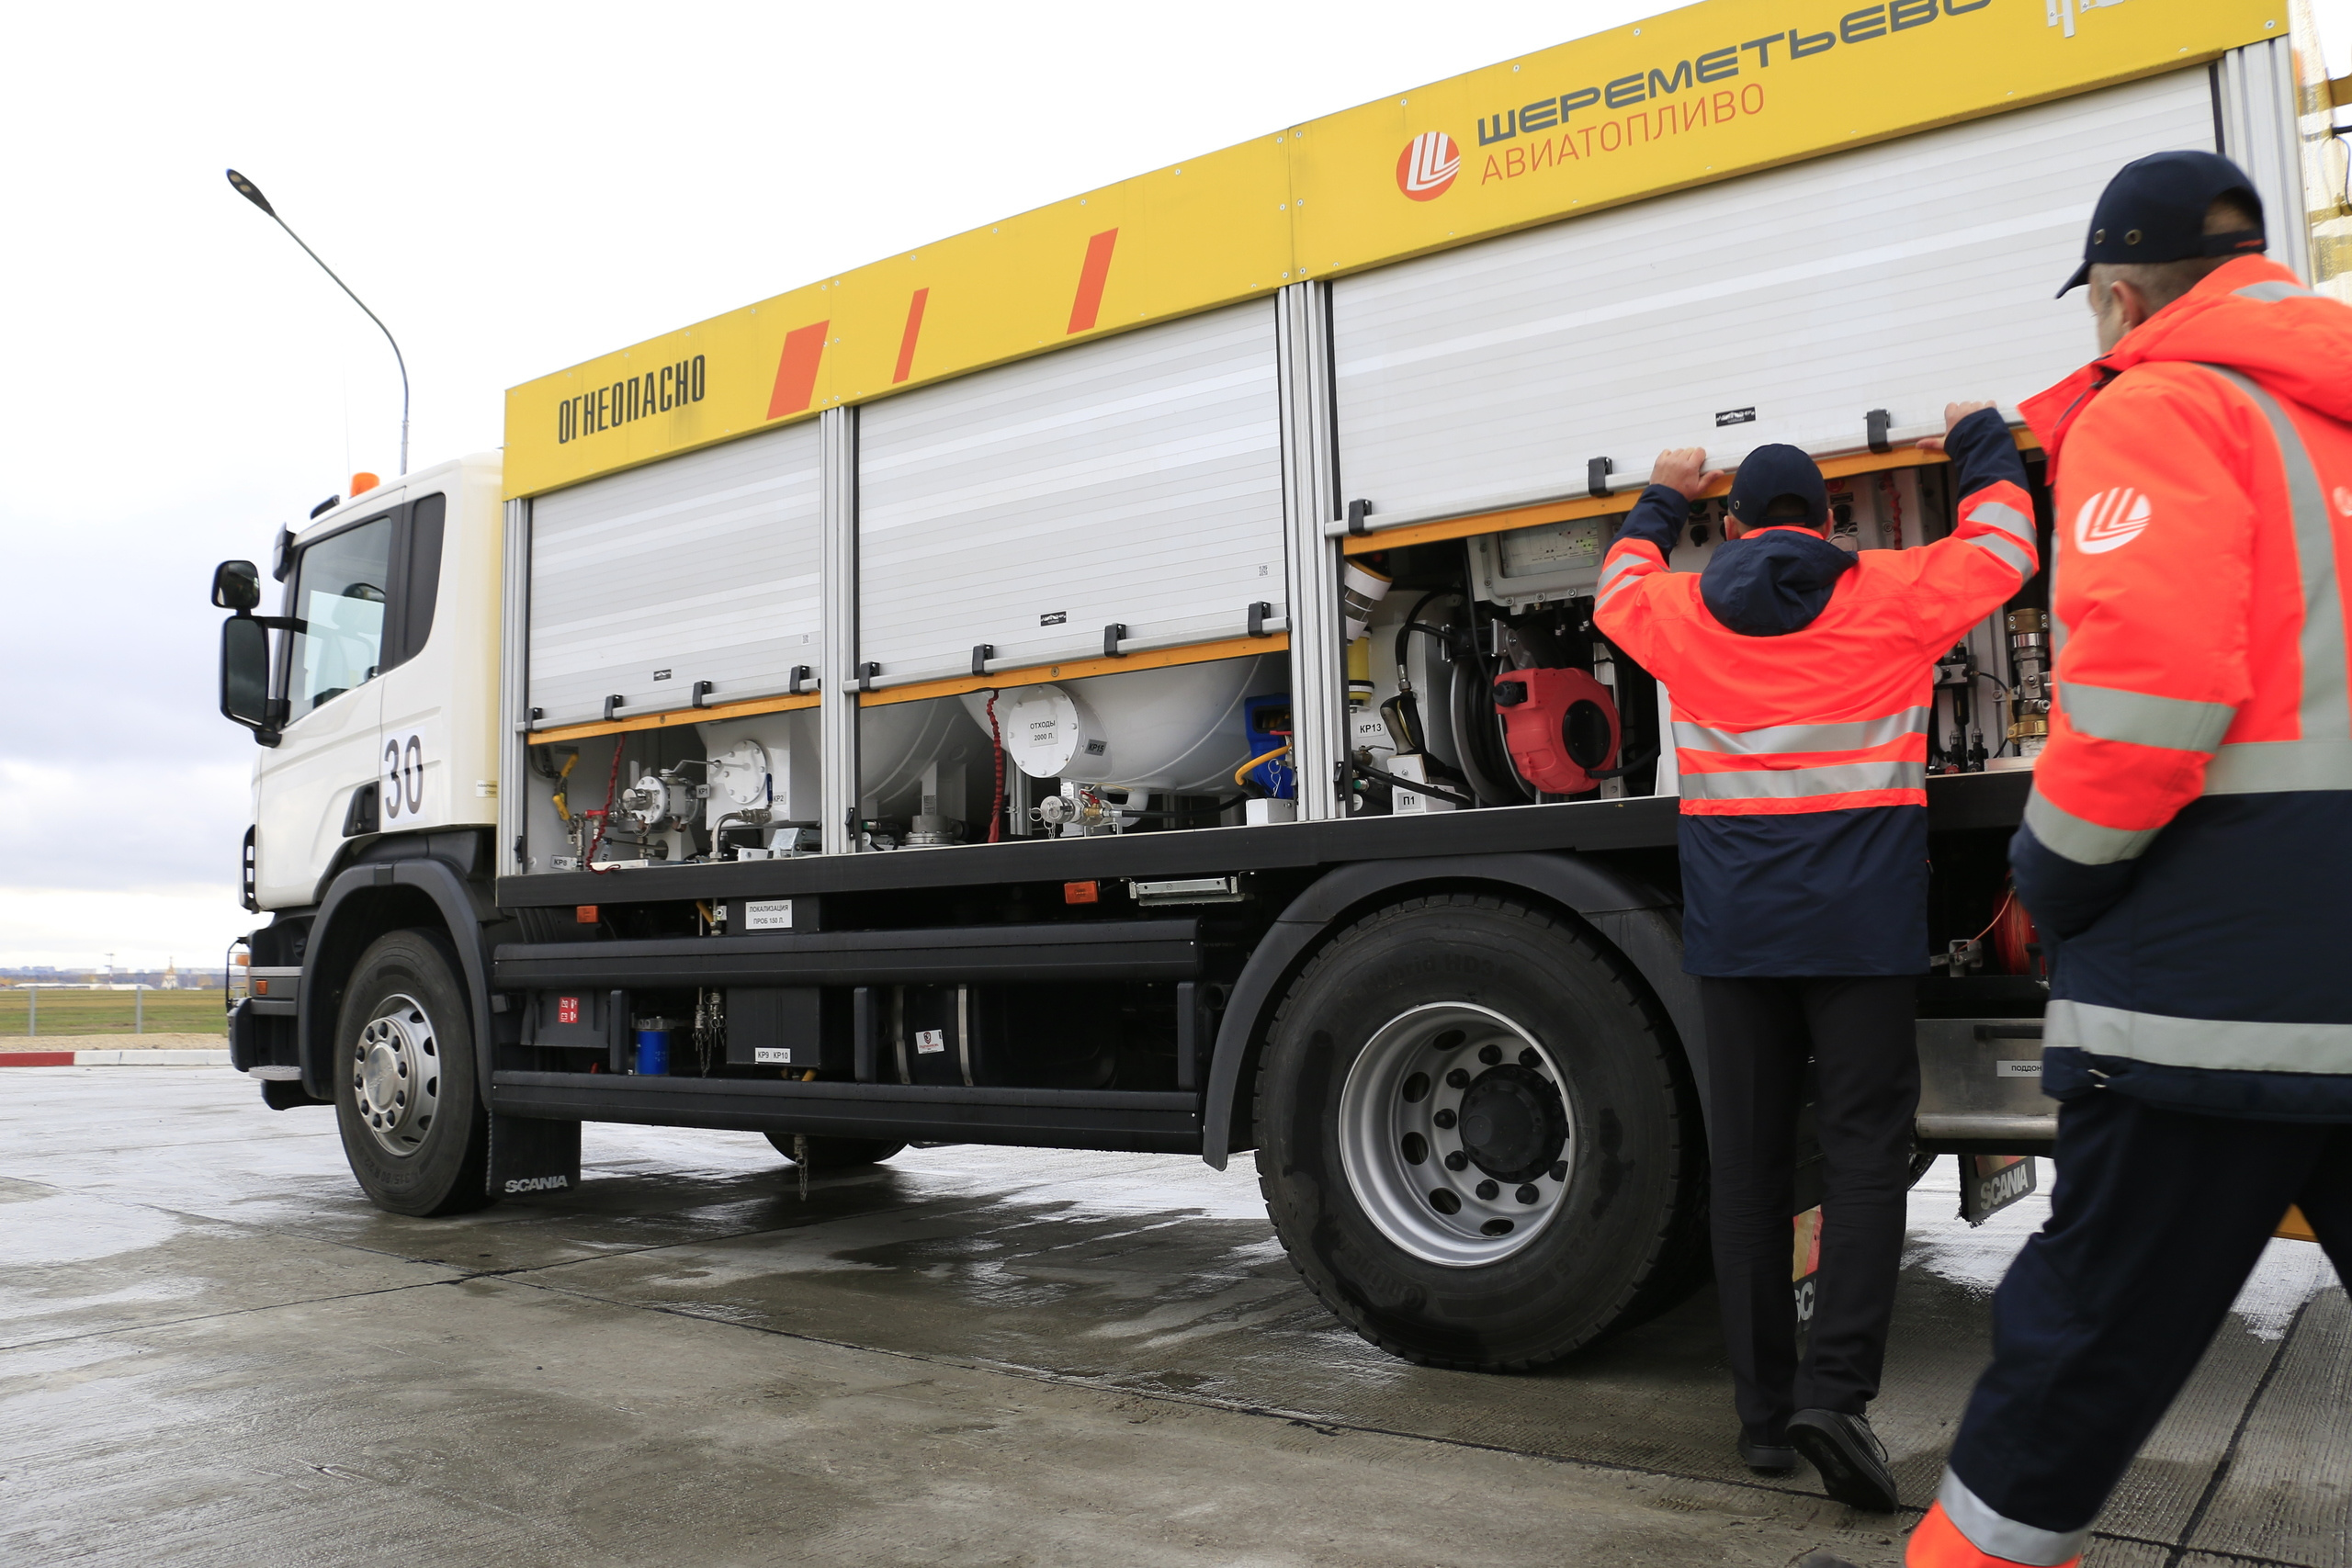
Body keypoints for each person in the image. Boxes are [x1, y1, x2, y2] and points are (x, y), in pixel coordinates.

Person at [1907, 152, 2352, 1568]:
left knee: (2086, 1335)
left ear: (2115, 292)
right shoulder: (2332, 412)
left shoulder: (2160, 404)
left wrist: (2052, 876)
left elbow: (2148, 708)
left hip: (2216, 997)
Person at [1594, 413, 2039, 1511]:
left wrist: (1661, 495)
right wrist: (1977, 442)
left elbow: (1614, 585)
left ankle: (1758, 1420)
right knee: (1859, 1166)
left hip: (1739, 940)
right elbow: (2004, 549)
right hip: (1861, 936)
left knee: (1746, 1170)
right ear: (1831, 522)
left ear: (1732, 527)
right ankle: (1833, 1393)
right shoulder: (1885, 591)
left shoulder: (1682, 607)